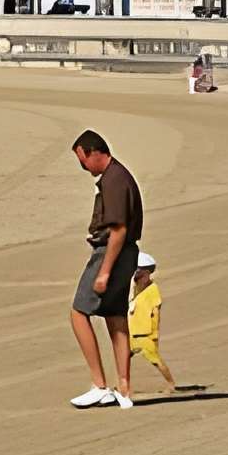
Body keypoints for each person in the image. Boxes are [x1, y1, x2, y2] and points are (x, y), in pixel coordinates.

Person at [67, 128, 143, 408]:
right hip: (127, 254)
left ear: (93, 152)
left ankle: (99, 385)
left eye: (82, 160)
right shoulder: (118, 176)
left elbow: (118, 229)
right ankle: (124, 389)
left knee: (78, 312)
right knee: (115, 317)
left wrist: (105, 271)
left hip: (111, 253)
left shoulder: (113, 180)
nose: (83, 166)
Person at [129, 254, 182, 395]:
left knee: (155, 360)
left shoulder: (153, 289)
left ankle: (171, 383)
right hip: (132, 332)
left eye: (137, 271)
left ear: (146, 273)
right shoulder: (136, 288)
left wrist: (154, 335)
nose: (135, 275)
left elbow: (156, 313)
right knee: (123, 359)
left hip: (145, 333)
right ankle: (125, 385)